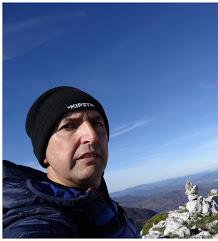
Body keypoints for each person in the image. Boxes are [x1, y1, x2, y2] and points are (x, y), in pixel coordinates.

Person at [3, 86, 141, 238]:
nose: (91, 136)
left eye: (97, 124)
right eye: (69, 126)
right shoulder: (40, 222)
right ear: (44, 155)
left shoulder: (100, 201)